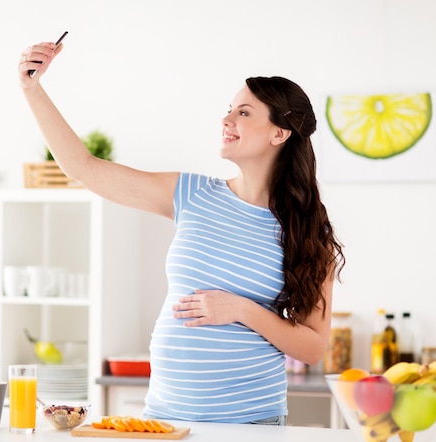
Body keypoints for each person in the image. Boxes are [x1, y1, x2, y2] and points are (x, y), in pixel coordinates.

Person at [18, 40, 345, 425]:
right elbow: (83, 168)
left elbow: (311, 347)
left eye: (244, 112)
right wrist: (32, 89)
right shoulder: (192, 194)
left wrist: (241, 309)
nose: (227, 121)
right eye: (228, 111)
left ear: (280, 134)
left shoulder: (306, 230)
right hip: (167, 418)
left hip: (250, 422)